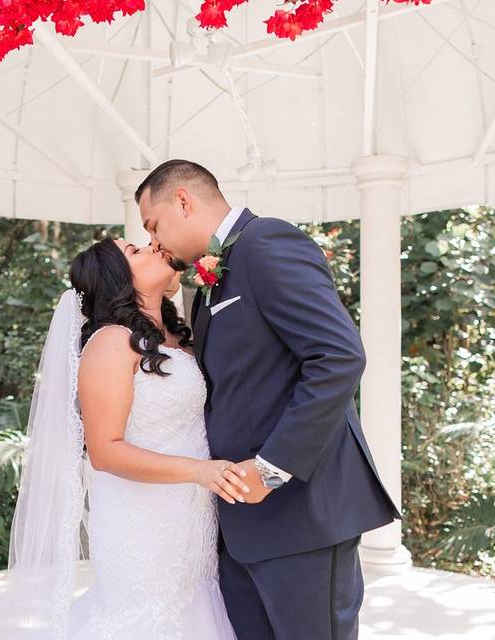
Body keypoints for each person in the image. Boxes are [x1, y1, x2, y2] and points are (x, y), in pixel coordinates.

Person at [136, 159, 402, 640]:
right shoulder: (204, 287)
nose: (154, 240)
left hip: (303, 515)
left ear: (182, 199)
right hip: (241, 525)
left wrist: (273, 468)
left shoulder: (268, 242)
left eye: (153, 224)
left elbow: (338, 357)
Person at [0, 235, 243, 639]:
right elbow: (105, 451)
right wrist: (200, 472)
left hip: (191, 517)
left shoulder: (176, 334)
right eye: (135, 251)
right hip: (140, 521)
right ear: (117, 278)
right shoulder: (110, 343)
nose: (153, 247)